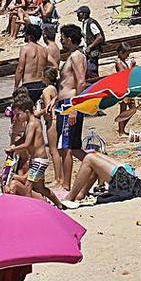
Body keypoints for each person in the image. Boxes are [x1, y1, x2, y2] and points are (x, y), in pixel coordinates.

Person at [6, 96, 66, 209]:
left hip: (39, 161)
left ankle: (30, 208)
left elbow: (27, 144)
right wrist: (14, 143)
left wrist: (13, 149)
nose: (17, 118)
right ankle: (59, 204)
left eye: (18, 114)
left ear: (27, 112)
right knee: (40, 188)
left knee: (28, 186)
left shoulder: (33, 123)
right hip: (35, 160)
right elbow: (23, 138)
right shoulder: (29, 123)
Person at [57, 24, 87, 191]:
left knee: (66, 147)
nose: (61, 41)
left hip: (70, 105)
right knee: (74, 148)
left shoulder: (76, 56)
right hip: (66, 103)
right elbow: (66, 82)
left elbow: (81, 81)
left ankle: (66, 185)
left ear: (69, 39)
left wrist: (74, 107)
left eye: (62, 38)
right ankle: (99, 169)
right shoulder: (74, 55)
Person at [15, 23, 50, 103]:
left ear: (29, 36)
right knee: (39, 111)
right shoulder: (44, 50)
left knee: (27, 111)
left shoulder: (25, 48)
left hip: (29, 84)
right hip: (42, 84)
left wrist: (16, 86)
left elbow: (20, 69)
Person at [76, 6, 105, 79]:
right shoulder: (85, 23)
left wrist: (90, 47)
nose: (78, 15)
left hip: (93, 51)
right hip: (89, 51)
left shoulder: (91, 23)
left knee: (92, 71)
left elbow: (99, 37)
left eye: (79, 13)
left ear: (85, 14)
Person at [115, 43, 136, 136]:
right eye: (126, 53)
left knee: (132, 109)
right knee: (124, 110)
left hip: (126, 88)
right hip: (122, 89)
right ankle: (121, 130)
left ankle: (122, 129)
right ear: (121, 52)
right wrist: (132, 67)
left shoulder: (122, 61)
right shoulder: (119, 62)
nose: (128, 55)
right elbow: (123, 75)